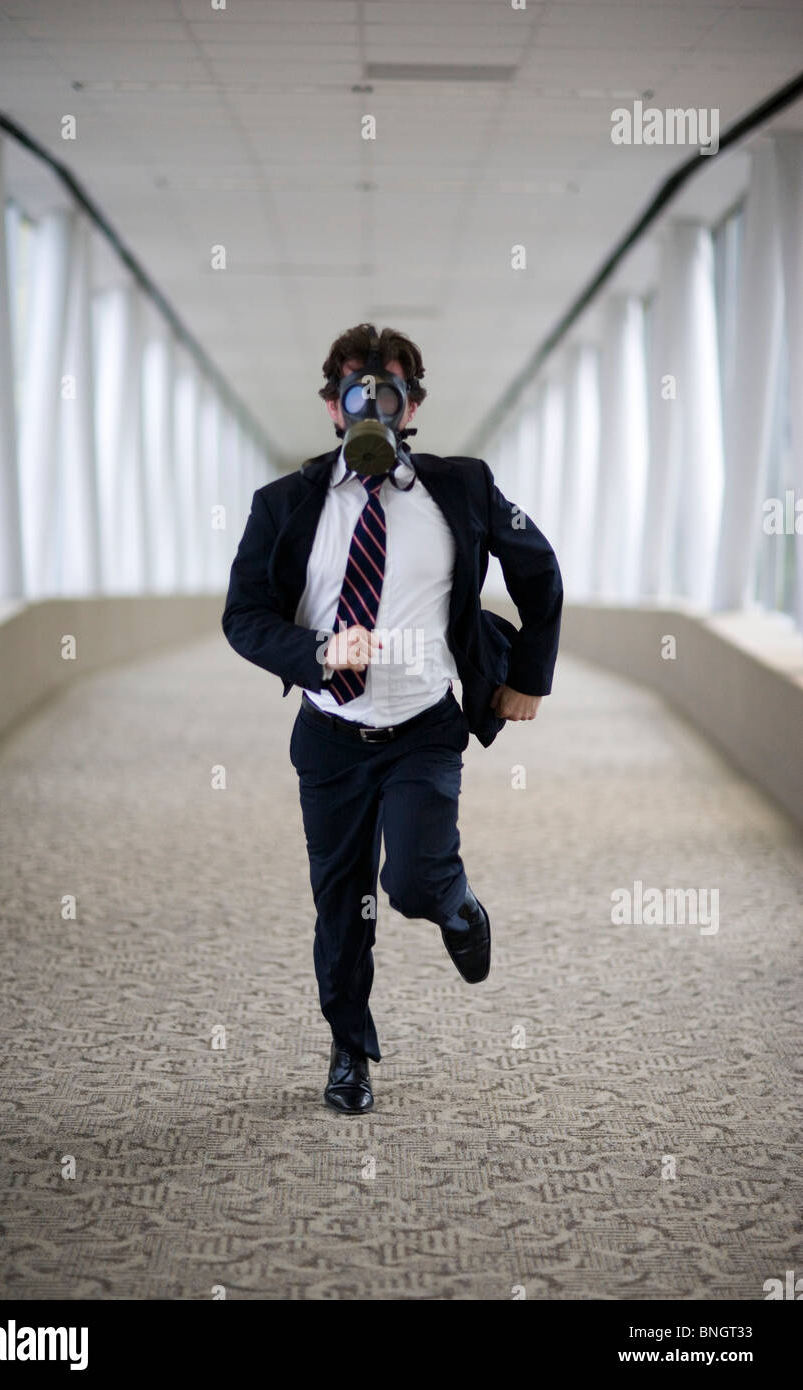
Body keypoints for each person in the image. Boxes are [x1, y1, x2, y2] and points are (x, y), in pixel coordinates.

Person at [222, 323, 563, 1114]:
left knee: (408, 881)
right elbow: (244, 616)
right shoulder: (284, 505)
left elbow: (539, 566)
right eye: (356, 391)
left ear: (412, 406)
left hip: (423, 724)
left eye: (391, 390)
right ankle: (350, 1052)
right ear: (333, 409)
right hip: (330, 735)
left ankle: (456, 905)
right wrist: (314, 651)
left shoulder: (463, 488)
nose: (374, 401)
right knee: (341, 906)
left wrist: (529, 677)